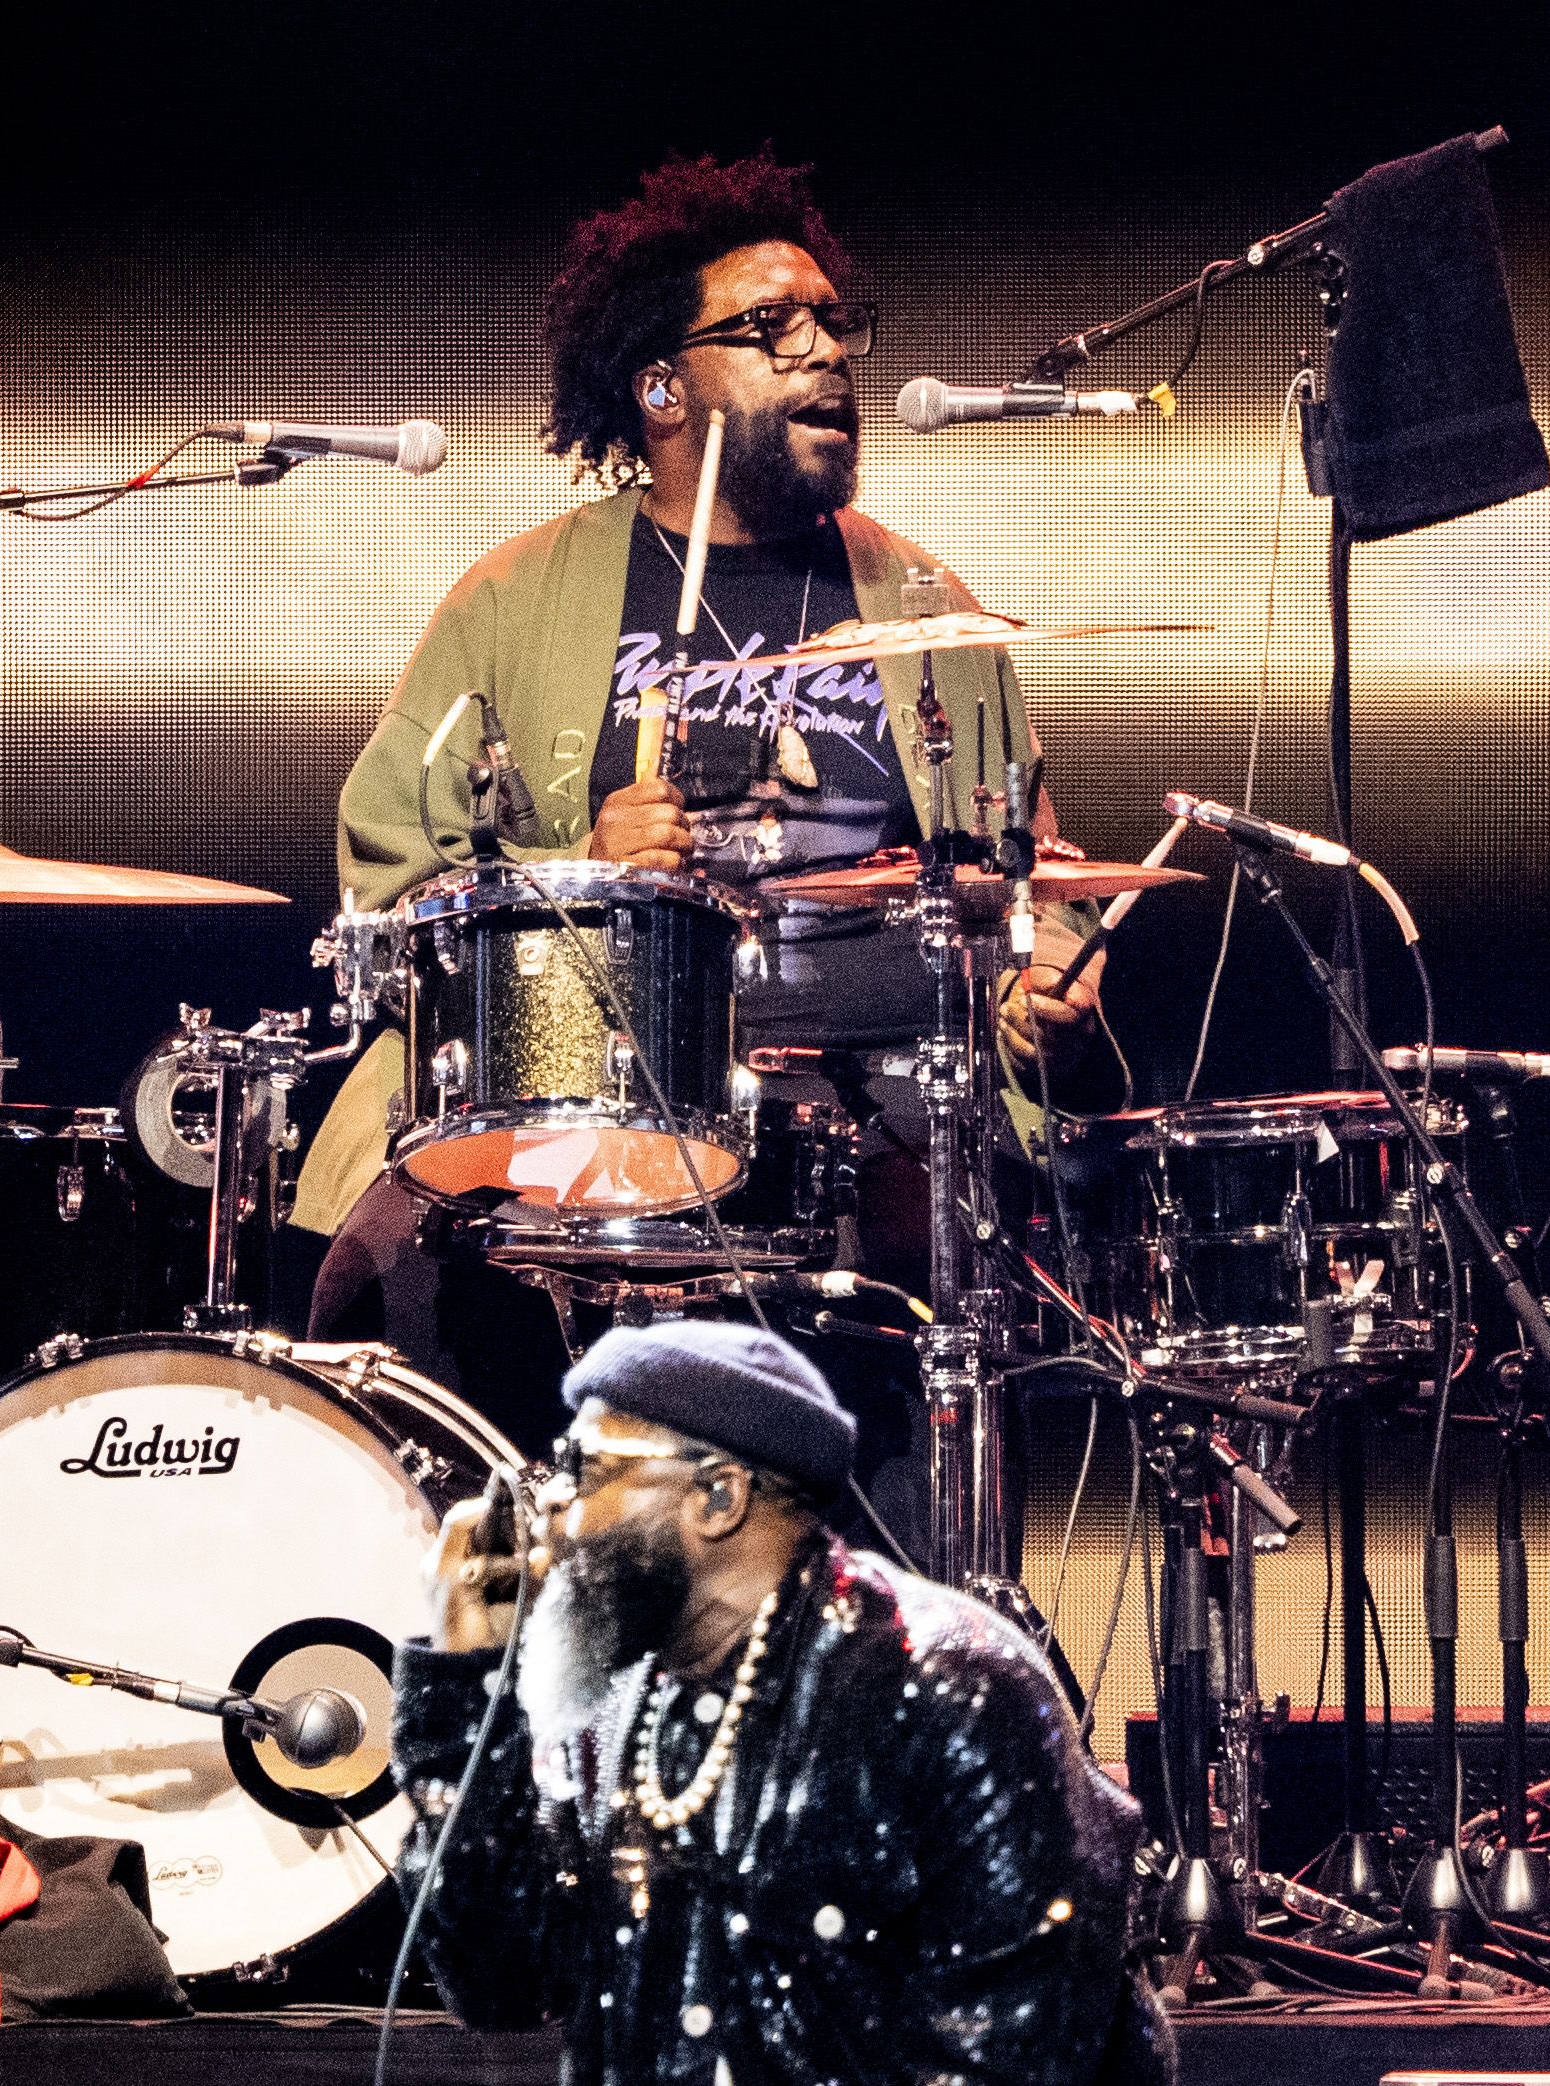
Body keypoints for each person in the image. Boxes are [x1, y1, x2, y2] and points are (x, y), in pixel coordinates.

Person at [290, 152, 1129, 1465]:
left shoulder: (929, 610)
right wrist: (577, 869)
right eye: (768, 327)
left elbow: (1038, 880)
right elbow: (393, 892)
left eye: (832, 321)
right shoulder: (514, 605)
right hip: (566, 1188)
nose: (823, 352)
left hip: (878, 1198)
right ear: (660, 385)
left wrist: (1047, 993)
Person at [389, 1319, 1168, 2084]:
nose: (550, 1505)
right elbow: (497, 1983)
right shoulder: (615, 1703)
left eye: (582, 1468)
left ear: (718, 1497)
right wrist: (466, 1676)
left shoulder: (950, 1690)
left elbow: (1010, 2052)